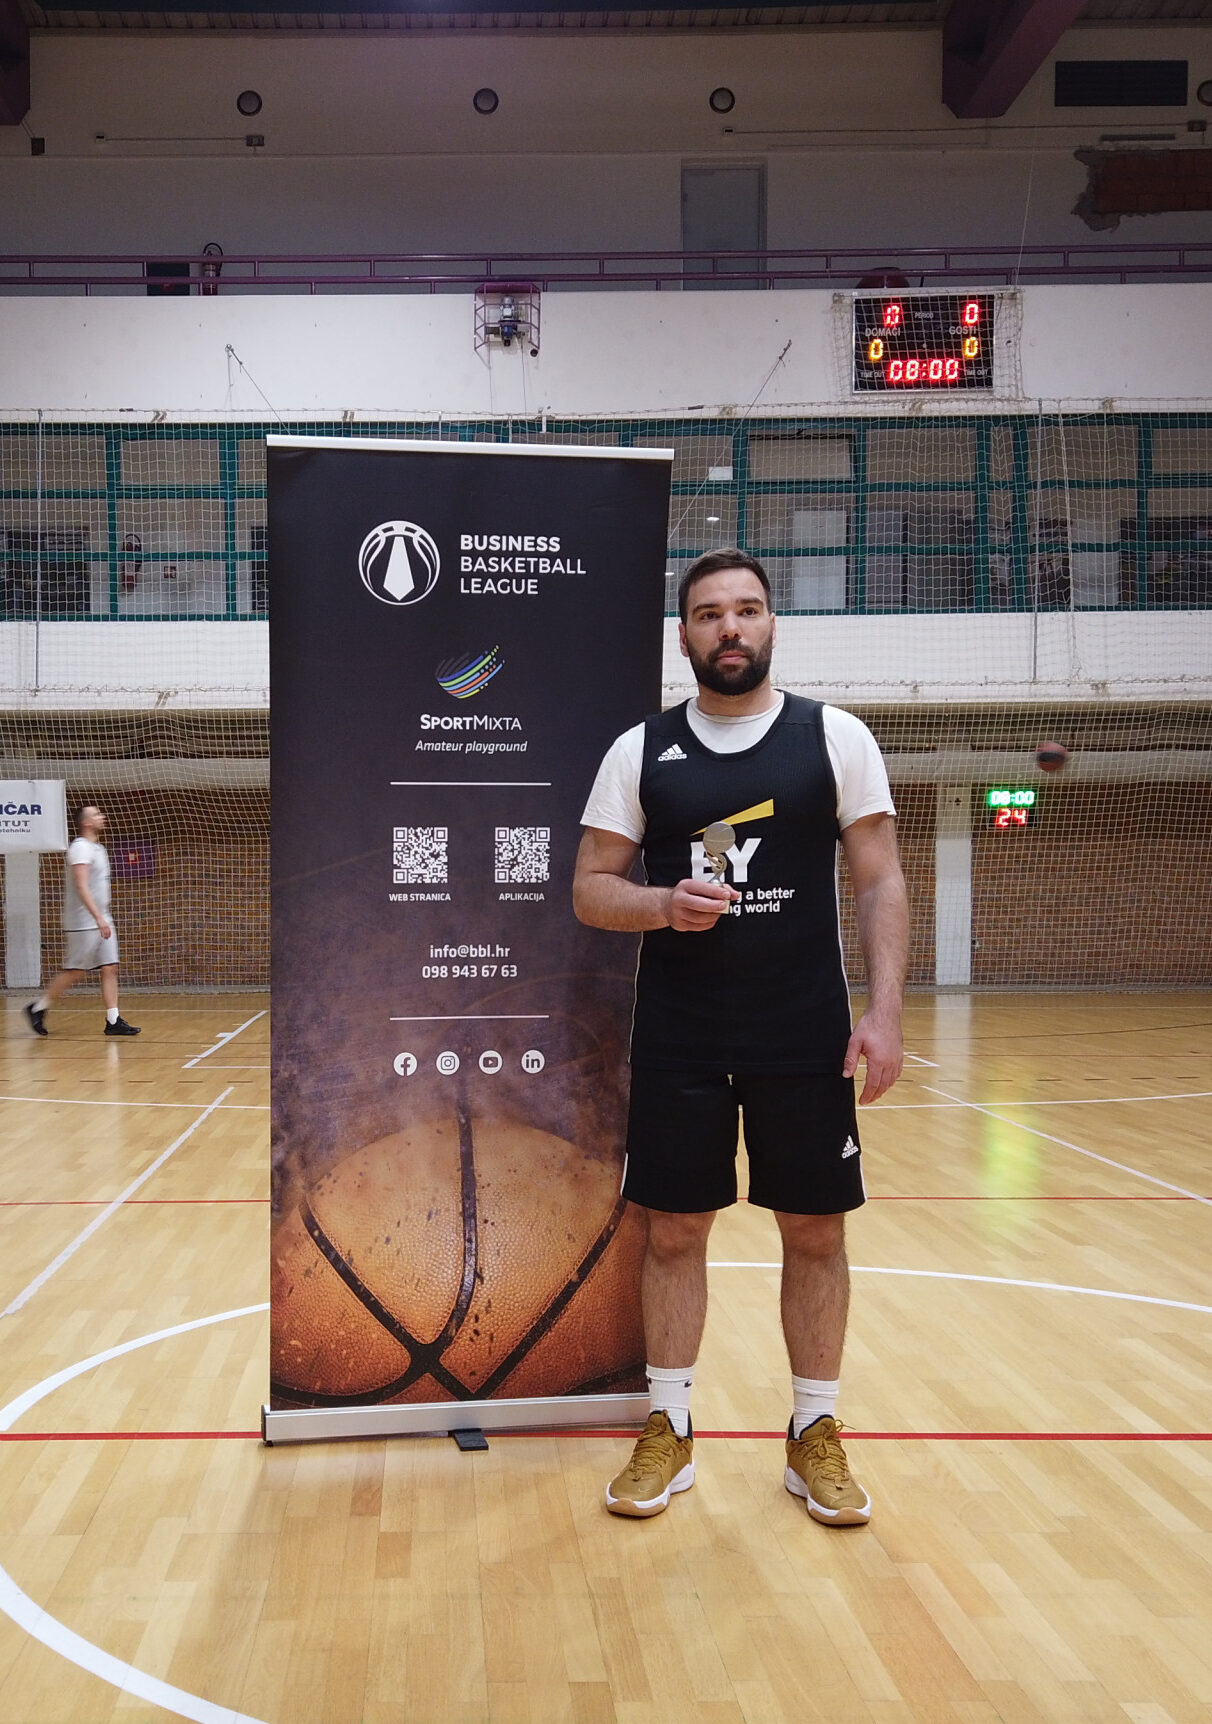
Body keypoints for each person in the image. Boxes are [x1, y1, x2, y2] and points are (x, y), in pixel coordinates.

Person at [573, 548, 907, 1527]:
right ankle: (669, 1426)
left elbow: (881, 878)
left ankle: (815, 1431)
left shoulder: (834, 737)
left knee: (816, 1231)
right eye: (710, 612)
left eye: (748, 609)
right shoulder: (640, 751)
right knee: (674, 1231)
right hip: (680, 1034)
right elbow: (590, 889)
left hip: (804, 1032)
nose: (731, 626)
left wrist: (886, 1012)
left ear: (770, 624)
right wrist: (660, 904)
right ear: (684, 635)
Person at [25, 804, 141, 1039]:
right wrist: (97, 917)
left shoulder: (99, 849)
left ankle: (113, 1020)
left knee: (110, 967)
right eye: (96, 814)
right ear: (86, 822)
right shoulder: (79, 848)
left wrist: (103, 917)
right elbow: (81, 885)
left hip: (102, 918)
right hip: (84, 920)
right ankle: (37, 1008)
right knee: (76, 970)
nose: (102, 816)